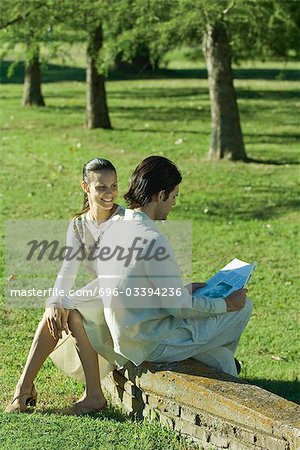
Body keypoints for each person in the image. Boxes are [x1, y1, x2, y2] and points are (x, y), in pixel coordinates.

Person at [65, 156, 252, 378]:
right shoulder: (152, 239)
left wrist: (182, 291)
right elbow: (179, 308)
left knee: (221, 360)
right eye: (173, 196)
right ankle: (213, 354)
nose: (174, 203)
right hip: (152, 344)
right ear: (161, 195)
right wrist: (225, 304)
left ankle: (225, 367)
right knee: (243, 306)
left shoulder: (114, 226)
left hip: (126, 336)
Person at [5, 157, 127, 414]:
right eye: (101, 187)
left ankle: (91, 396)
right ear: (86, 187)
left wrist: (66, 302)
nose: (109, 193)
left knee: (70, 311)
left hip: (126, 298)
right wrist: (54, 302)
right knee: (57, 311)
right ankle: (24, 388)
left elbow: (114, 277)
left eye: (113, 186)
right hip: (103, 295)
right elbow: (68, 269)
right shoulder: (79, 225)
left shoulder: (124, 222)